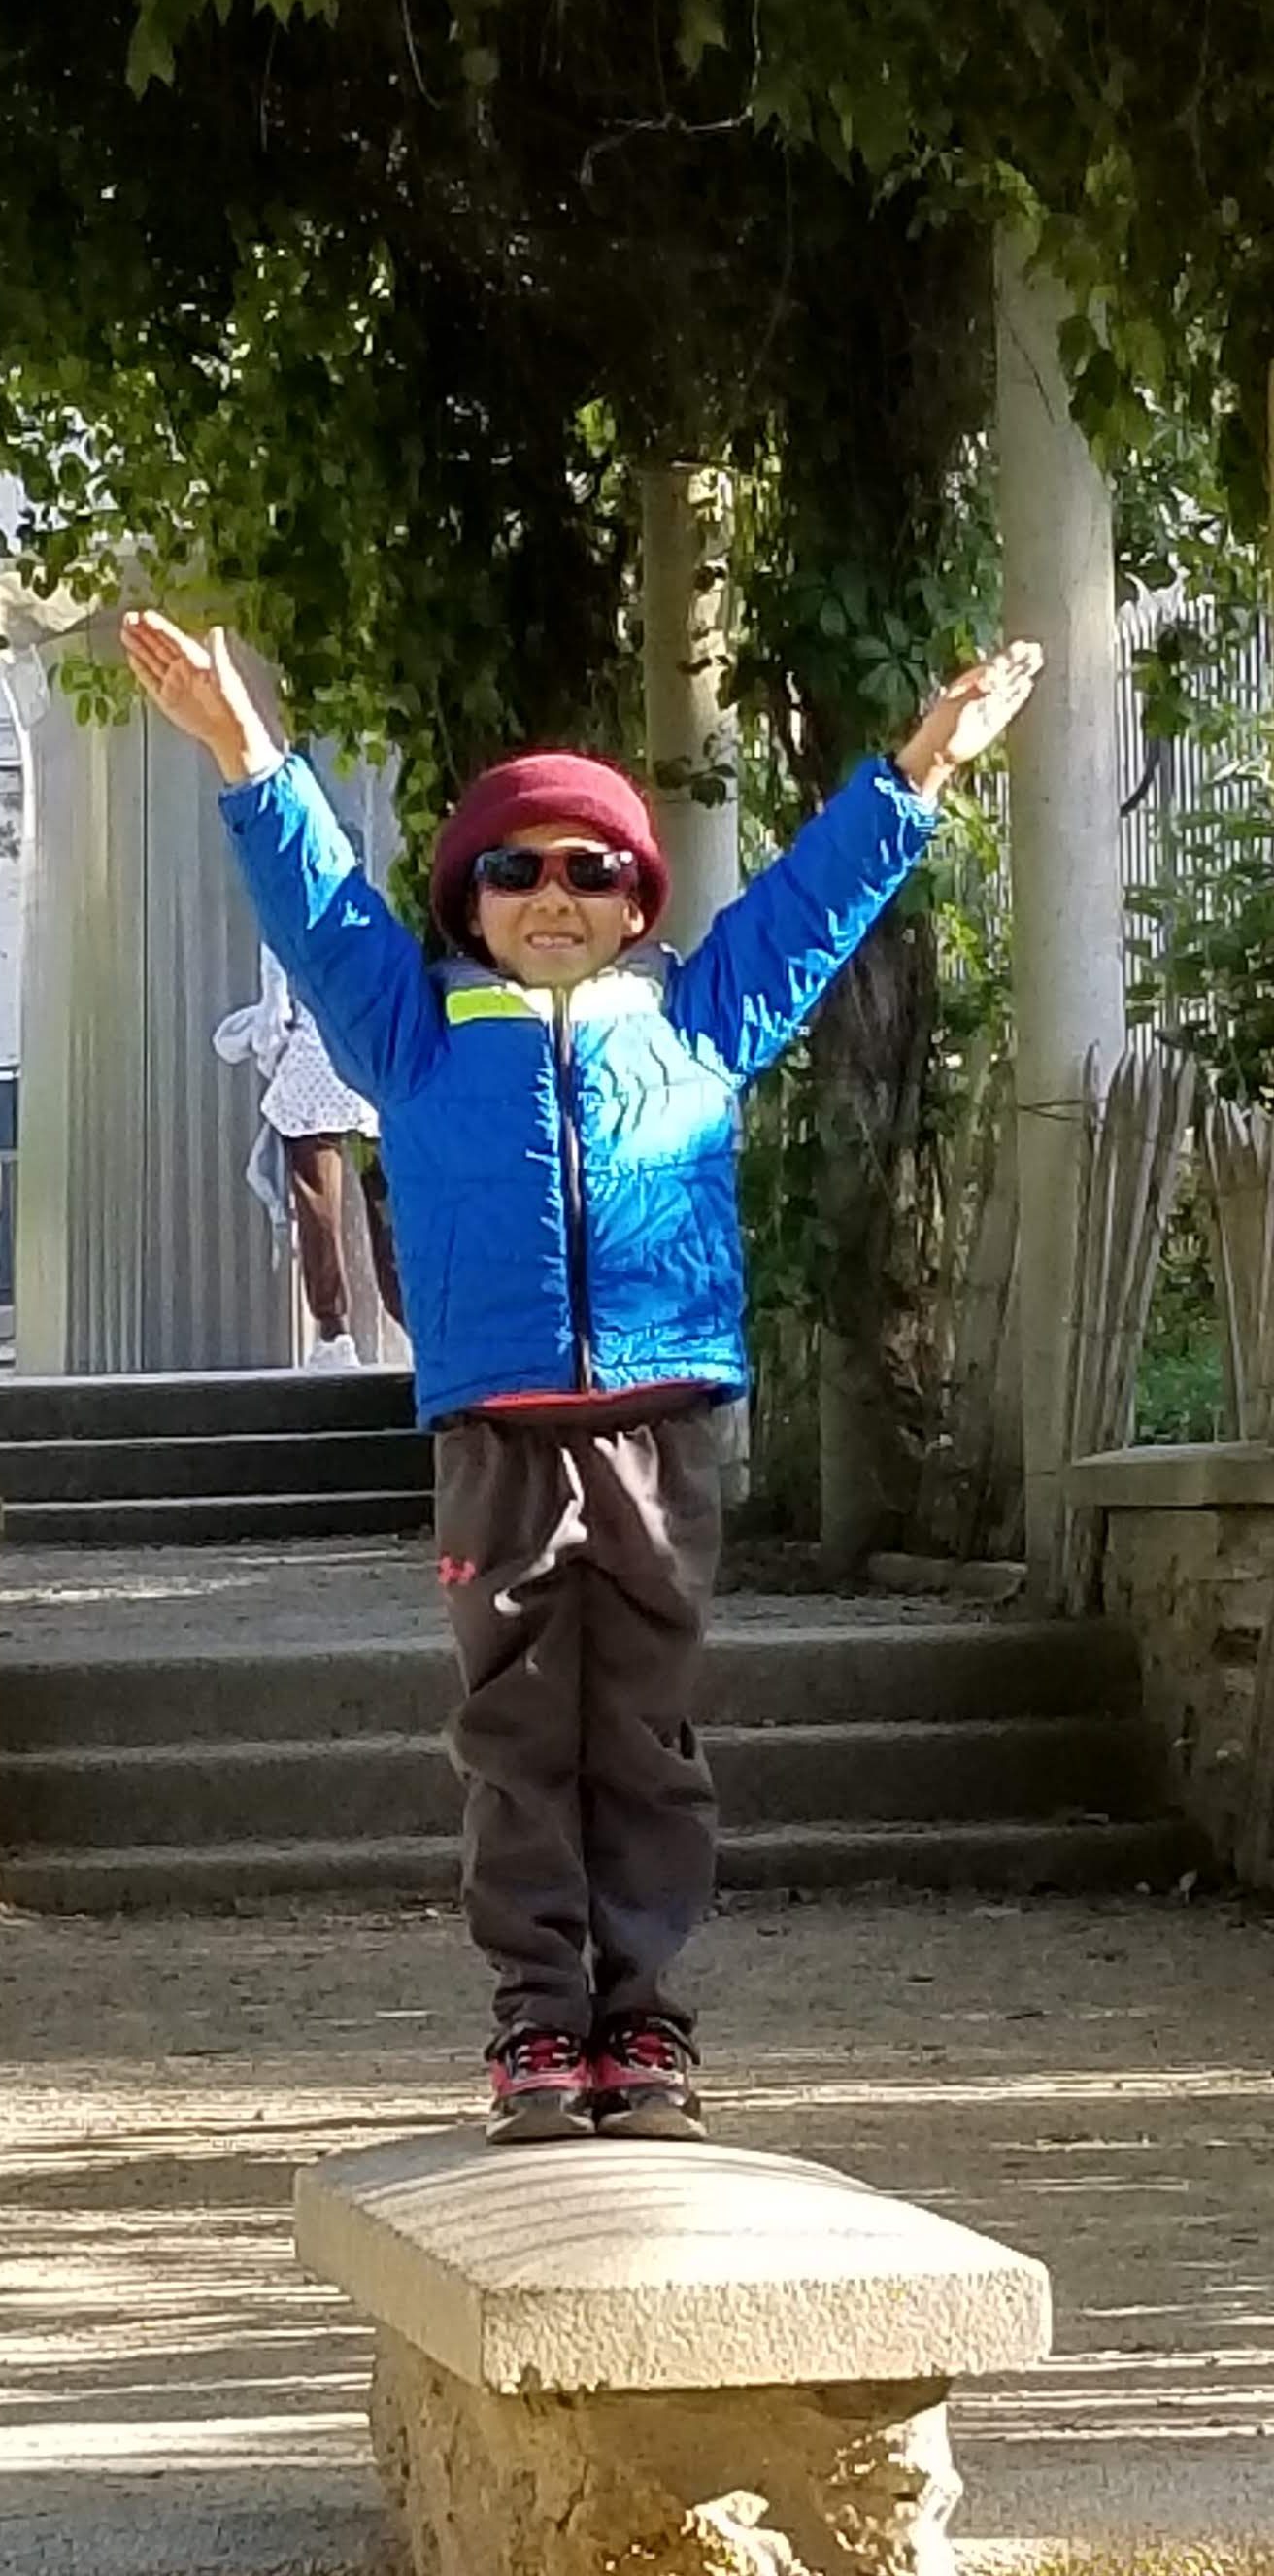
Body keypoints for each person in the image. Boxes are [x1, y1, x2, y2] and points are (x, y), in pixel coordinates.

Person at [121, 608, 1041, 2146]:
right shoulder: (408, 1028)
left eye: (590, 869)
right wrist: (243, 747)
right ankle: (542, 2029)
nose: (554, 893)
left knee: (647, 1733)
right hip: (497, 1426)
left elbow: (815, 909)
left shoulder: (698, 1018)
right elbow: (312, 903)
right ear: (469, 905)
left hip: (660, 1420)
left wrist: (916, 774)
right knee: (518, 1730)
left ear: (634, 906)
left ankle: (648, 2028)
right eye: (517, 868)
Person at [215, 948, 403, 1369]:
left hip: (310, 1075)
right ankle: (413, 1319)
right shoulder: (364, 915)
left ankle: (334, 1334)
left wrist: (270, 1051)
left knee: (318, 1211)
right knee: (388, 1205)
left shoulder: (283, 921)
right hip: (367, 1074)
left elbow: (275, 1016)